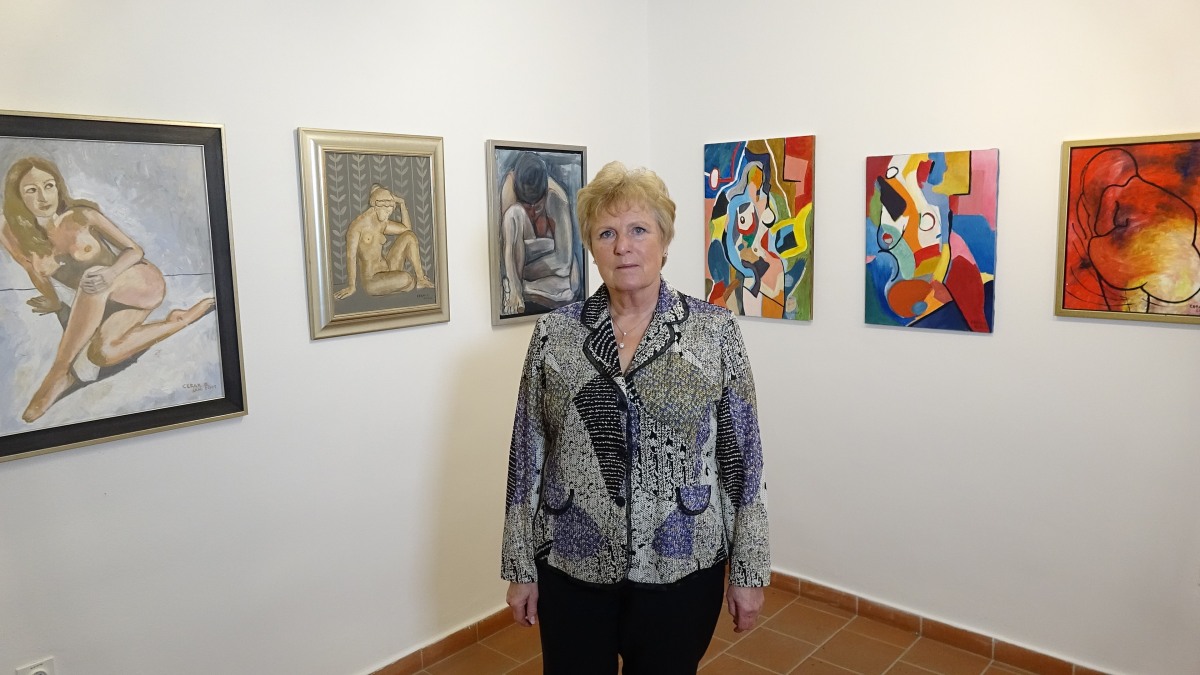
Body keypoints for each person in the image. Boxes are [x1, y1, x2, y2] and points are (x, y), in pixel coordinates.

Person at [501, 161, 770, 675]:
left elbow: (743, 461)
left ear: (664, 242)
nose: (623, 246)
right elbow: (526, 456)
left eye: (639, 230)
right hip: (572, 563)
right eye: (607, 233)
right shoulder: (555, 335)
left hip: (681, 565)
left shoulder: (714, 333)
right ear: (591, 247)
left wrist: (749, 570)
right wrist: (519, 566)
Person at [0, 156, 214, 422]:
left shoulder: (81, 216)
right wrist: (52, 300)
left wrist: (111, 273)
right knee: (102, 353)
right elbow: (33, 271)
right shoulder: (11, 232)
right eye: (31, 190)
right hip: (105, 303)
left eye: (49, 186)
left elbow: (134, 250)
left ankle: (59, 373)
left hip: (138, 283)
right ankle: (179, 321)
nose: (43, 197)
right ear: (18, 197)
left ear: (58, 187)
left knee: (93, 277)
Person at [498, 152, 582, 315]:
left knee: (569, 285)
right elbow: (507, 251)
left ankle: (522, 289)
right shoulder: (510, 189)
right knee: (513, 213)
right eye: (527, 207)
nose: (533, 213)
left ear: (544, 194)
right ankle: (516, 290)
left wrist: (522, 274)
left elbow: (564, 263)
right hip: (538, 267)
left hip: (546, 273)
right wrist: (548, 246)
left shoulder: (556, 197)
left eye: (537, 207)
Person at [334, 184, 433, 299]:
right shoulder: (357, 226)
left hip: (388, 270)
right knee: (407, 279)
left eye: (390, 212)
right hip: (372, 281)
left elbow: (407, 229)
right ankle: (408, 283)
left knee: (409, 236)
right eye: (386, 212)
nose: (388, 215)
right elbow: (350, 256)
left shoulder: (382, 222)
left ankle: (420, 279)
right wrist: (351, 286)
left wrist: (402, 204)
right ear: (376, 206)